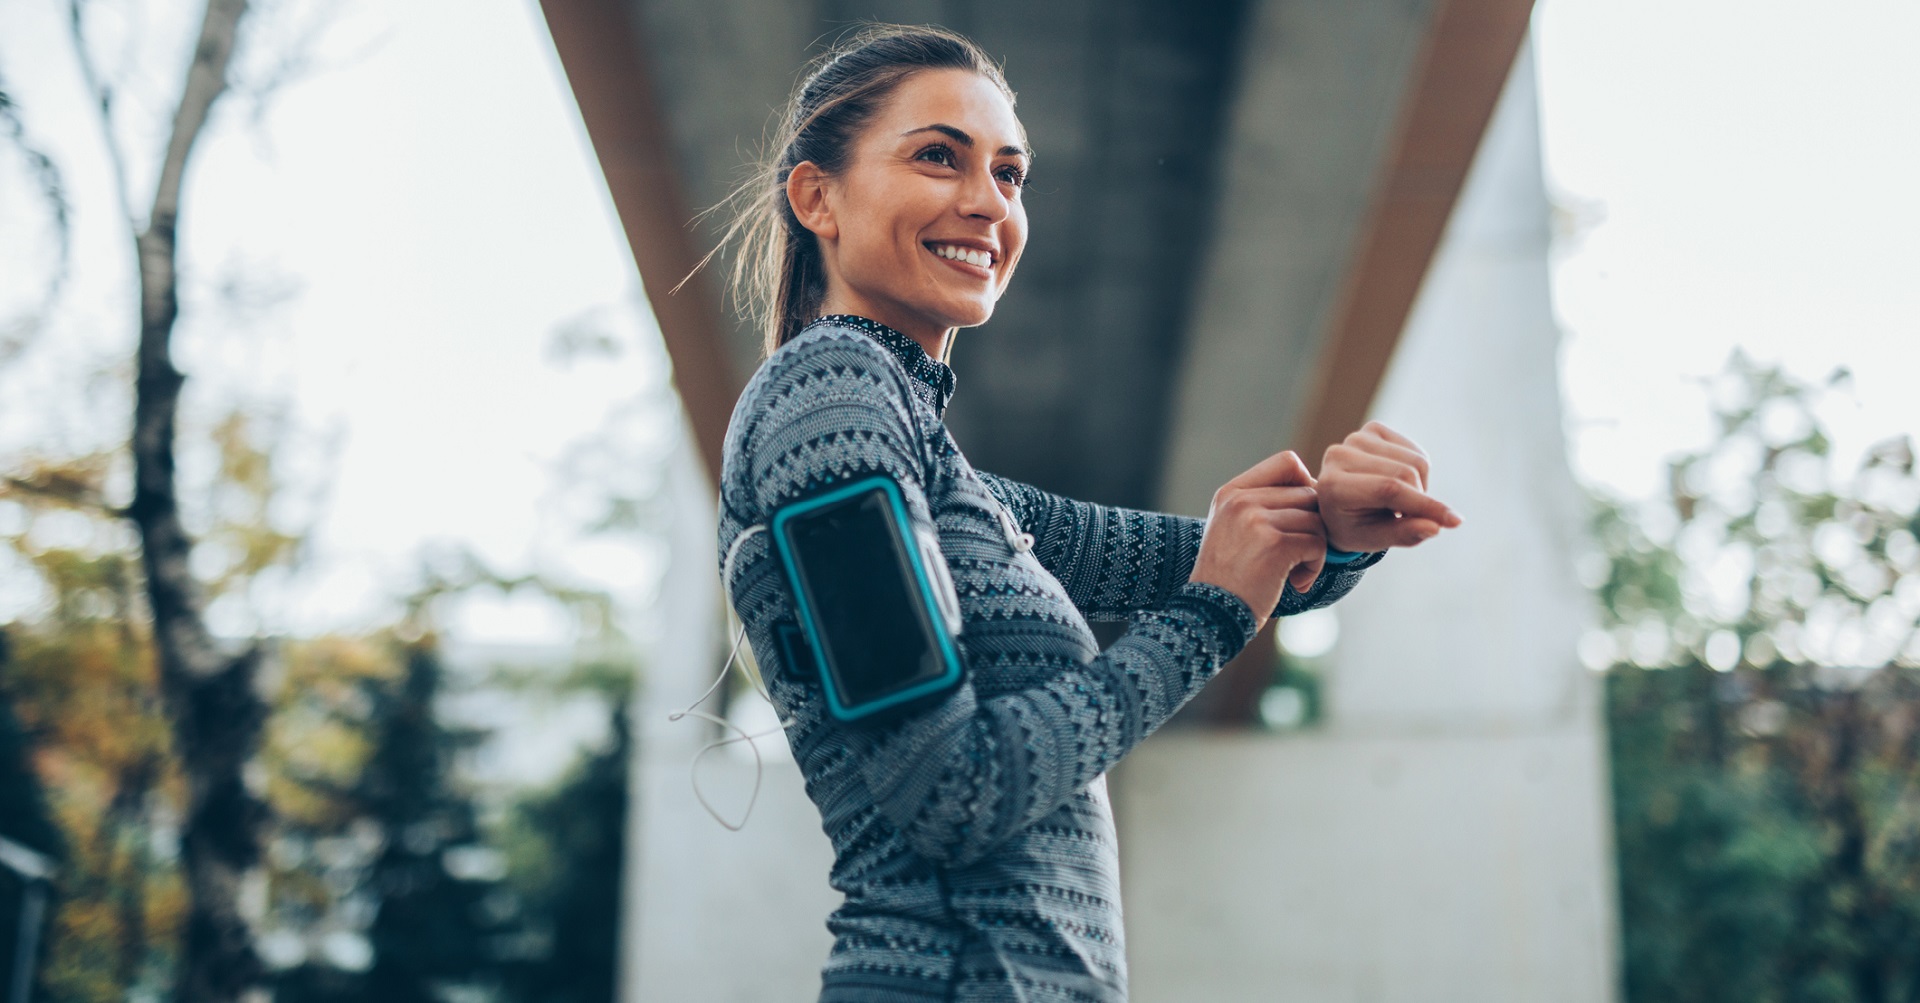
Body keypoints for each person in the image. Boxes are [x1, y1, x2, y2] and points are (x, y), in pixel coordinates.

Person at [708, 24, 1460, 1003]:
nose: (989, 203)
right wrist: (1210, 619)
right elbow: (953, 793)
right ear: (818, 197)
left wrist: (1331, 527)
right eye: (939, 156)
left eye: (1012, 174)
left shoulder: (950, 481)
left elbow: (1217, 561)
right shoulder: (828, 397)